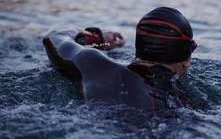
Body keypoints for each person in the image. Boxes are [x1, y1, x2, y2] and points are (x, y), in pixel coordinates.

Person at [43, 7, 197, 112]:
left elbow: (55, 37)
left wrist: (98, 39)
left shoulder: (94, 64)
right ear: (186, 60)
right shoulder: (180, 100)